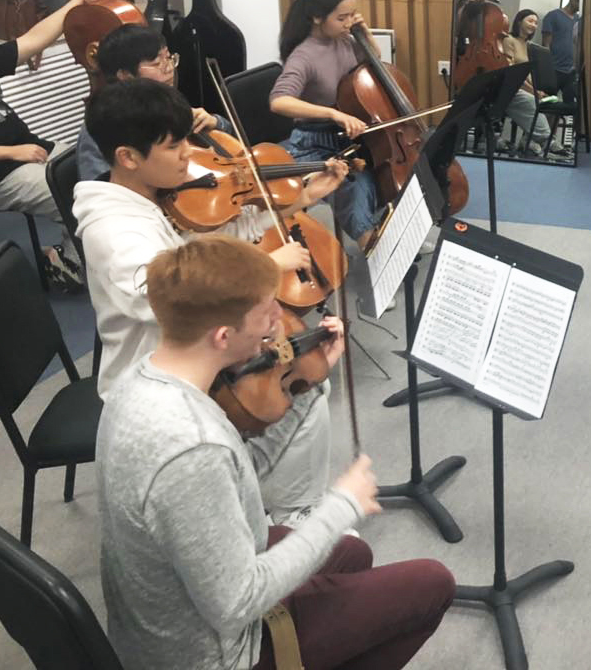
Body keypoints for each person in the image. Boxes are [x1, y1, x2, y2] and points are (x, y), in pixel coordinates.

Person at [97, 234, 455, 669]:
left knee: (352, 554)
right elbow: (237, 603)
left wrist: (307, 378)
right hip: (215, 654)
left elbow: (240, 478)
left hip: (186, 600)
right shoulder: (191, 448)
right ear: (223, 336)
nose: (276, 323)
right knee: (432, 583)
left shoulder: (140, 379)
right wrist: (341, 505)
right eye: (267, 312)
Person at [75, 78, 347, 524]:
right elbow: (175, 297)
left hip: (191, 350)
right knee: (306, 389)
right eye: (174, 146)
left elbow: (211, 239)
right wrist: (264, 266)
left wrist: (299, 199)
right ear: (128, 158)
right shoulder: (113, 230)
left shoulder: (152, 198)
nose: (189, 154)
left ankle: (281, 506)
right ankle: (285, 515)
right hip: (152, 378)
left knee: (309, 372)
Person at [0, 0, 109, 288]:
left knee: (103, 167)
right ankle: (68, 264)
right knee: (78, 191)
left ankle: (83, 252)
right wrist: (11, 152)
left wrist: (76, 3)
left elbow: (32, 41)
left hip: (30, 149)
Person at [268, 0, 384, 247]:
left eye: (352, 15)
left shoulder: (343, 40)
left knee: (382, 169)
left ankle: (386, 229)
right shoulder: (304, 55)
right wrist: (332, 114)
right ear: (318, 17)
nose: (348, 23)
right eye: (342, 18)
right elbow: (278, 101)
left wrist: (364, 33)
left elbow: (374, 64)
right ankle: (372, 245)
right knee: (354, 183)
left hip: (345, 136)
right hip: (313, 140)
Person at [75, 23, 228, 181]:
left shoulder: (165, 102)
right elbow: (99, 187)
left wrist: (216, 122)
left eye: (169, 58)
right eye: (156, 63)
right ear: (125, 75)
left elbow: (231, 142)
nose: (169, 68)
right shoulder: (103, 125)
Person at [500, 7, 567, 157]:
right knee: (532, 101)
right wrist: (533, 91)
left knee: (552, 102)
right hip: (512, 88)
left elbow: (530, 75)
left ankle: (527, 140)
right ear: (519, 21)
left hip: (528, 87)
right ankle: (547, 140)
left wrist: (537, 90)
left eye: (536, 23)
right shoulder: (509, 40)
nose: (533, 25)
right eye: (530, 21)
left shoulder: (529, 46)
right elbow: (512, 72)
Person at [541, 0, 581, 111]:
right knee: (550, 105)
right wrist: (547, 68)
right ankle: (547, 131)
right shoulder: (553, 16)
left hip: (571, 71)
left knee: (567, 108)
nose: (579, 2)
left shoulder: (579, 20)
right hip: (554, 69)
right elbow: (545, 45)